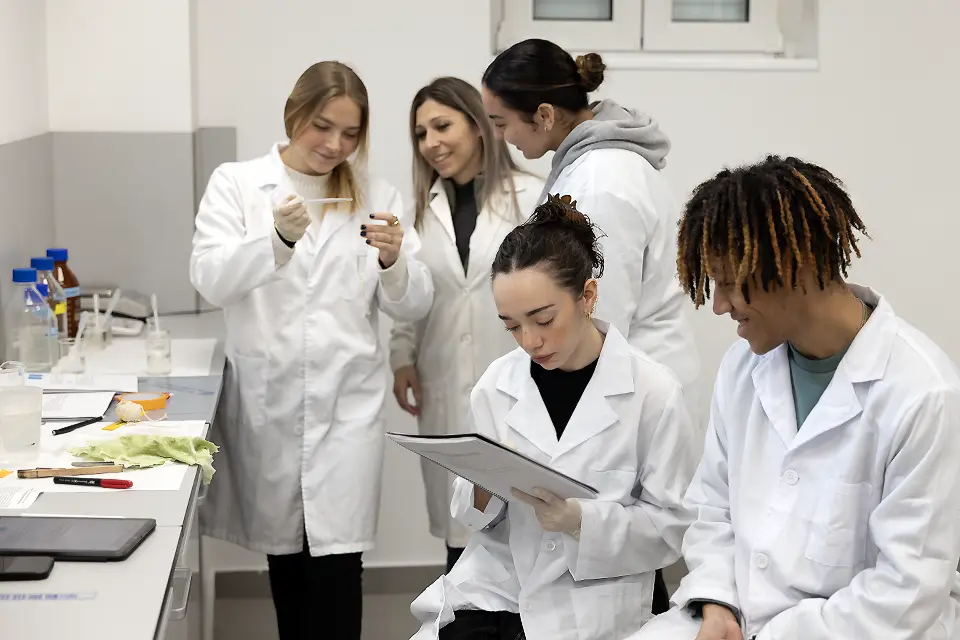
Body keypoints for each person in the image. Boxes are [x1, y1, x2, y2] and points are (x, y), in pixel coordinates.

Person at [633, 156, 960, 640]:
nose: (719, 305)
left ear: (796, 267)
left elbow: (905, 590)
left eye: (728, 283)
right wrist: (717, 602)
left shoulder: (921, 392)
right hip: (736, 616)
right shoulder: (744, 367)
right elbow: (712, 507)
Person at [190, 61, 434, 640]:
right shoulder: (238, 183)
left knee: (338, 562)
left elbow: (414, 303)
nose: (335, 145)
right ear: (294, 114)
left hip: (345, 409)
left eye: (351, 133)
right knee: (287, 562)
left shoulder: (377, 195)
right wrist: (273, 241)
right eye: (323, 126)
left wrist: (394, 259)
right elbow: (209, 277)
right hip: (268, 401)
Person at [409, 195, 700, 640]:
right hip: (502, 587)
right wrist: (483, 488)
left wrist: (580, 521)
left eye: (543, 319)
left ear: (587, 295)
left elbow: (671, 527)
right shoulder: (496, 386)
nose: (529, 340)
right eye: (511, 325)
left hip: (598, 596)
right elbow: (473, 515)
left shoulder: (652, 392)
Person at [481, 36, 701, 613]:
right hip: (623, 387)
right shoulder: (599, 162)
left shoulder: (600, 179)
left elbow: (600, 319)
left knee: (612, 562)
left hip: (624, 395)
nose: (501, 137)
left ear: (545, 115)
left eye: (502, 122)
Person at [391, 76, 543, 572]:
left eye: (442, 126)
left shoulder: (533, 196)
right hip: (441, 376)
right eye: (420, 134)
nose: (431, 143)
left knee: (524, 523)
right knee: (461, 529)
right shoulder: (419, 209)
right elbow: (416, 289)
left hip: (521, 379)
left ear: (478, 125)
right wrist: (401, 355)